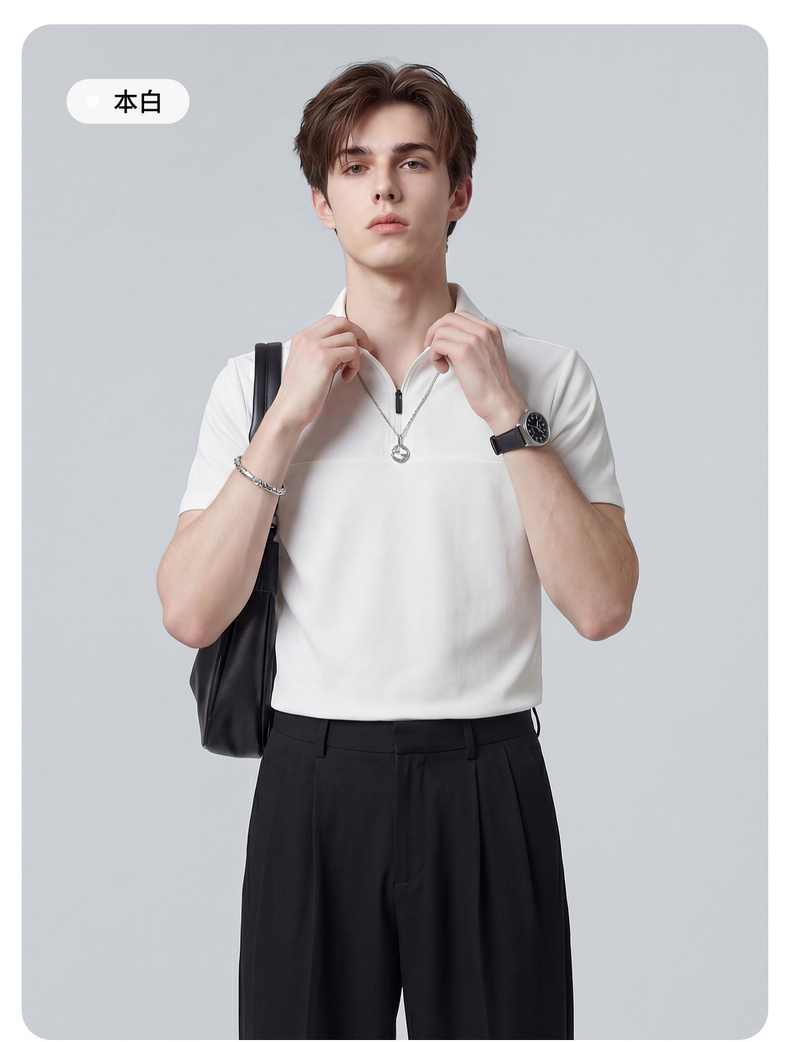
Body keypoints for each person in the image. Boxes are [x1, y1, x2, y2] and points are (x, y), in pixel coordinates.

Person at [157, 60, 638, 1041]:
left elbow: (600, 606)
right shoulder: (255, 385)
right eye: (354, 166)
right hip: (312, 778)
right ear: (322, 202)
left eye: (414, 162)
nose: (384, 186)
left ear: (458, 193)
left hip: (489, 771)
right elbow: (191, 612)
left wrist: (505, 414)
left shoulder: (545, 376)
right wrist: (285, 423)